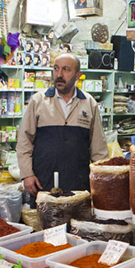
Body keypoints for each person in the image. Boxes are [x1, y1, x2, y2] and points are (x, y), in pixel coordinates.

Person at [16, 53, 108, 194]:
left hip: (78, 182)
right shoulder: (38, 101)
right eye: (56, 69)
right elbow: (24, 141)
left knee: (77, 215)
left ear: (78, 75)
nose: (59, 74)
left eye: (66, 69)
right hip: (43, 181)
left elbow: (98, 148)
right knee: (44, 216)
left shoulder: (89, 103)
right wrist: (27, 174)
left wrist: (101, 179)